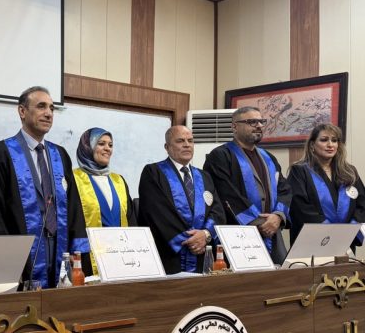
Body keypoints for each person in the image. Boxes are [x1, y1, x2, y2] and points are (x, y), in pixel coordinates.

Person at [0, 86, 88, 288]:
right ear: (22, 111)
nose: (48, 113)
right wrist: (6, 259)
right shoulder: (1, 153)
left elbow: (73, 206)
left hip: (59, 249)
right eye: (41, 106)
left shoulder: (60, 155)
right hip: (22, 254)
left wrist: (76, 252)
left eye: (52, 108)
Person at [203, 106, 292, 265]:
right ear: (234, 127)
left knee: (279, 277)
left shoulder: (269, 158)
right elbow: (226, 194)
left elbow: (284, 190)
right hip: (238, 235)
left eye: (261, 121)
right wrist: (260, 223)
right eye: (252, 122)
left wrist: (278, 216)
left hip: (272, 232)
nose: (259, 125)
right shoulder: (220, 156)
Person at [138, 125, 224, 274]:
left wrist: (205, 234)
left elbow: (217, 211)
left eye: (190, 141)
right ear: (167, 147)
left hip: (202, 255)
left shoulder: (205, 176)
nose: (187, 145)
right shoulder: (153, 172)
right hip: (169, 256)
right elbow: (158, 213)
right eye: (180, 141)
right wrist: (190, 240)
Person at [288, 123, 365, 244]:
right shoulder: (299, 171)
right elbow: (299, 207)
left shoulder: (350, 171)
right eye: (324, 140)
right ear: (312, 144)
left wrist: (350, 231)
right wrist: (331, 235)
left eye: (334, 140)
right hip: (313, 242)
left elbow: (362, 204)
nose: (330, 145)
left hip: (345, 241)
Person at [73, 127, 135, 274]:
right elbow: (72, 221)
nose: (108, 148)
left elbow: (131, 218)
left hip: (121, 255)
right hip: (88, 257)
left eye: (110, 145)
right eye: (101, 144)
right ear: (87, 147)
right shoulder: (74, 179)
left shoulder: (118, 180)